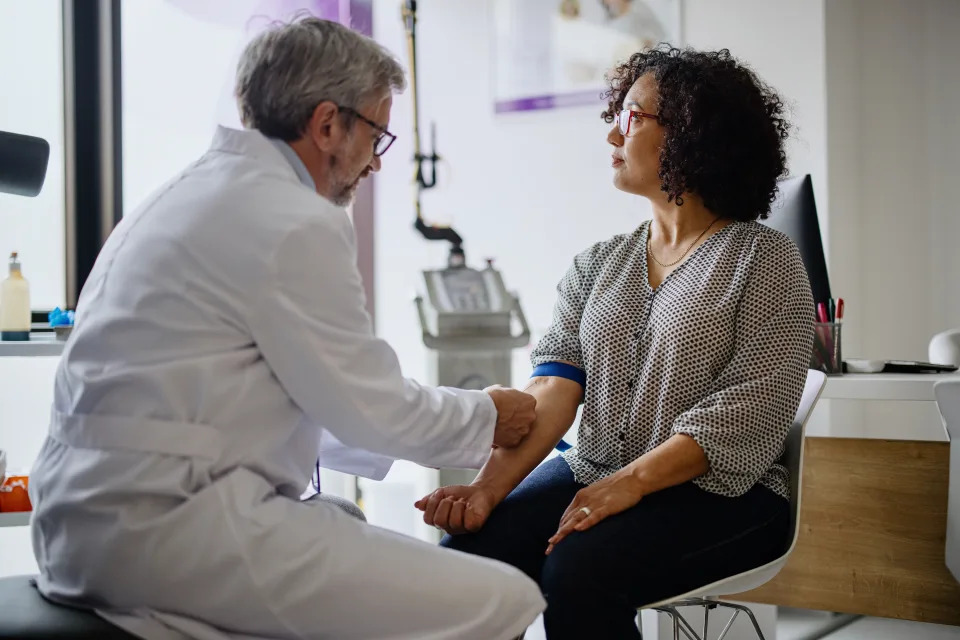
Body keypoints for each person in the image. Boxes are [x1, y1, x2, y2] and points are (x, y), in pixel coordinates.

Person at [28, 17, 545, 640]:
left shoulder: (185, 192)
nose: (376, 166)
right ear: (328, 124)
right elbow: (373, 410)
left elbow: (298, 405)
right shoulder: (294, 220)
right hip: (164, 531)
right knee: (507, 599)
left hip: (82, 523)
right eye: (377, 136)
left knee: (342, 526)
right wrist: (491, 417)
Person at [417, 45, 815, 640]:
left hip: (724, 493)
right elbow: (553, 389)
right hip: (594, 467)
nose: (611, 134)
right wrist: (485, 490)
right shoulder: (598, 265)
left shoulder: (763, 259)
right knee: (465, 555)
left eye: (631, 116)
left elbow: (746, 410)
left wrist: (628, 484)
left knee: (578, 571)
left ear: (691, 134)